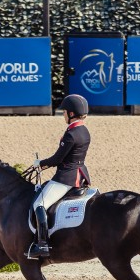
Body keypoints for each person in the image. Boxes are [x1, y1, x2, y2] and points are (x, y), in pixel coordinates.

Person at [27, 94, 91, 259]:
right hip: (80, 173)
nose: (63, 115)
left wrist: (39, 163)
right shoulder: (84, 130)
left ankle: (42, 244)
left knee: (39, 203)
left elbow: (57, 159)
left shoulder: (72, 134)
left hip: (67, 177)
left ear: (71, 114)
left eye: (64, 112)